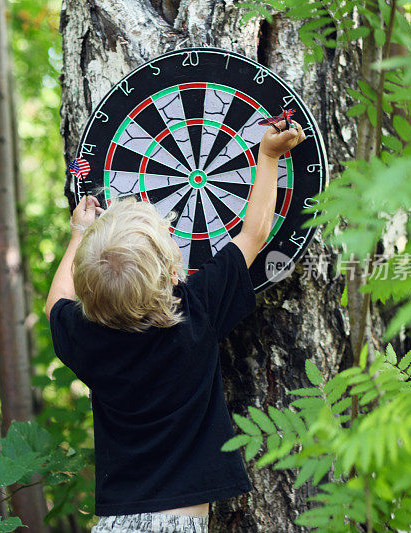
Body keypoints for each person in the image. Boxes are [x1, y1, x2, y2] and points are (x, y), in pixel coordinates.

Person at [45, 119, 306, 533]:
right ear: (172, 271)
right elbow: (254, 234)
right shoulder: (193, 311)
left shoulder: (84, 336)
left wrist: (78, 233)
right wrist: (270, 156)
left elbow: (55, 303)